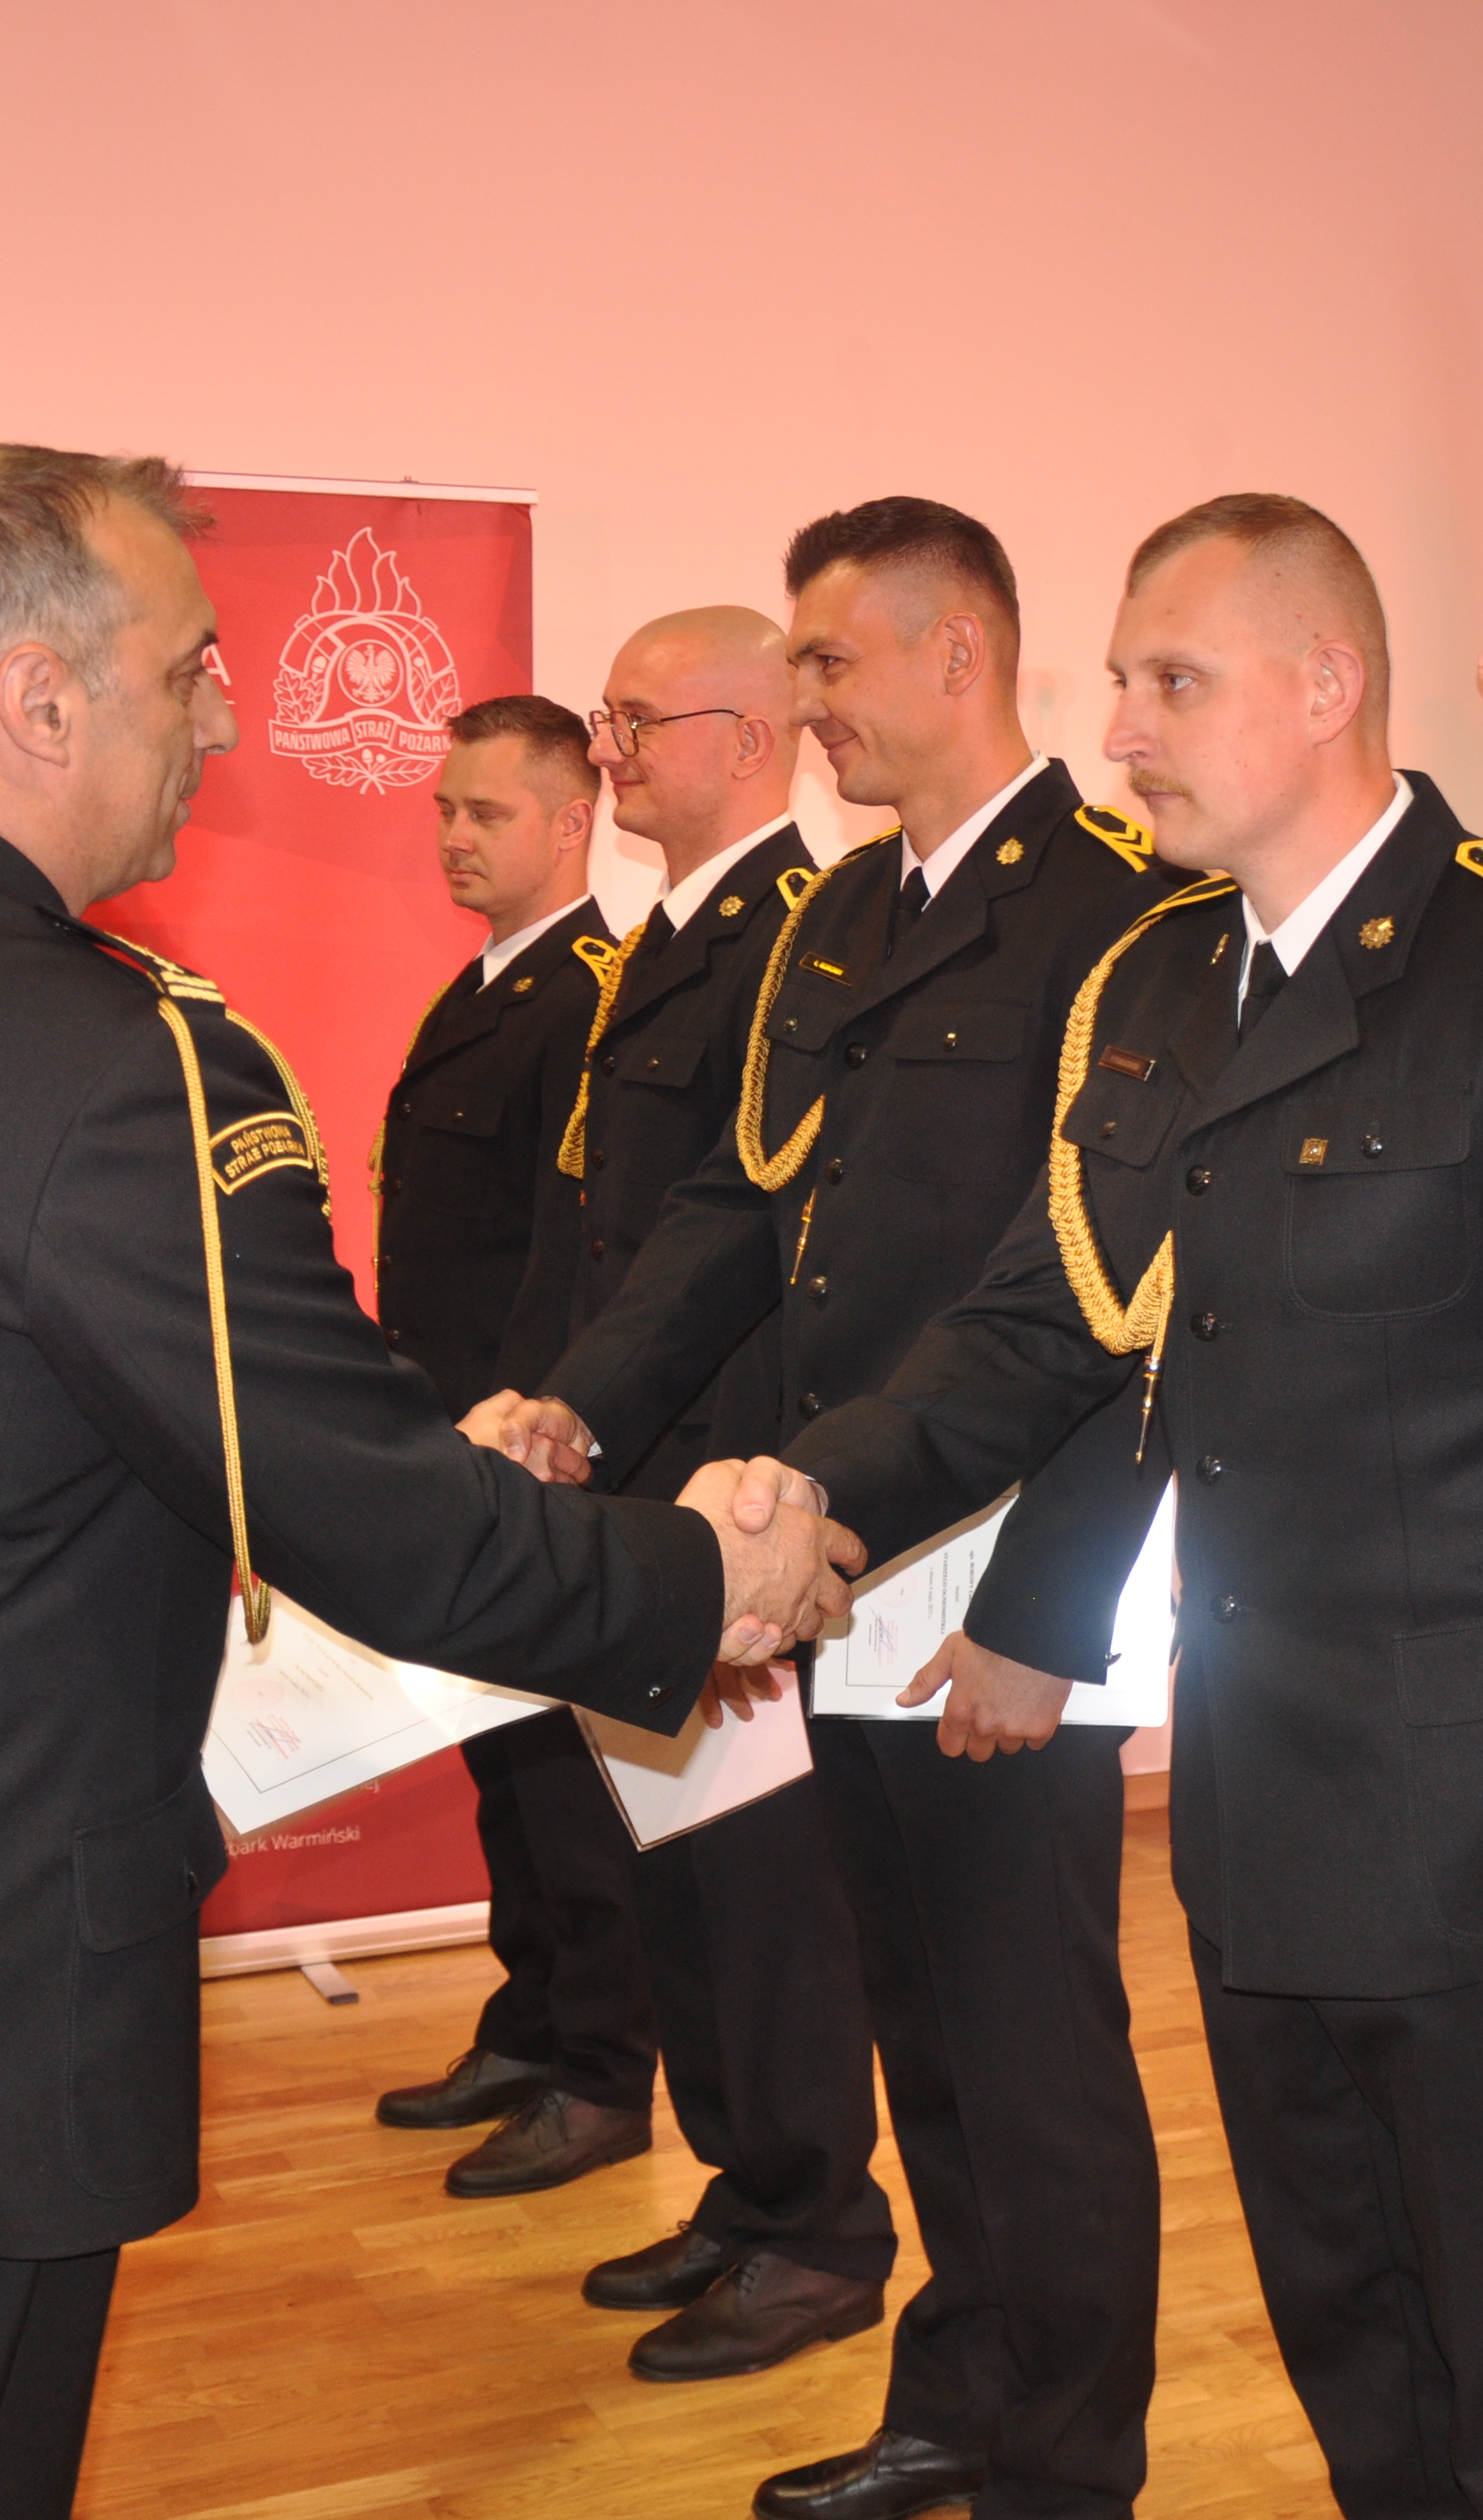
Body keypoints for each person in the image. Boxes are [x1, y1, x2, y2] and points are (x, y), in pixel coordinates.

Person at [0, 443, 849, 2520]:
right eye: (192, 668)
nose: (222, 722)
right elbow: (365, 1506)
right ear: (39, 697)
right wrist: (697, 1576)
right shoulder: (117, 1063)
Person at [768, 492, 1483, 2518]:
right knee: (1346, 2342)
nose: (1119, 730)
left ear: (1326, 686)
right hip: (1258, 1815)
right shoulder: (1156, 985)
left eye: (1170, 680)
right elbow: (1042, 1325)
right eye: (1122, 679)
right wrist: (790, 1493)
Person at [487, 499, 1179, 2520]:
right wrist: (579, 1398)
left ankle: (1067, 2464)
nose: (808, 703)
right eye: (792, 665)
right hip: (837, 1550)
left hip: (997, 1573)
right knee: (923, 2026)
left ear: (958, 652)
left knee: (1032, 2048)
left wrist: (1047, 1618)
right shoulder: (842, 914)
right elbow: (739, 1206)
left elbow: (1132, 1306)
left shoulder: (1119, 916)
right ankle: (960, 2393)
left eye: (830, 662)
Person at [552, 607, 895, 2384]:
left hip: (730, 1492)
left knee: (761, 1884)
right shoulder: (675, 938)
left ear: (743, 739)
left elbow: (767, 1244)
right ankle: (746, 2184)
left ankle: (818, 2224)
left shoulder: (794, 937)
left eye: (636, 719)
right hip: (639, 1479)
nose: (606, 750)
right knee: (680, 1869)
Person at [367, 695, 658, 2204]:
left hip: (532, 1449)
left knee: (564, 1778)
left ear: (573, 820)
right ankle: (531, 2024)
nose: (455, 837)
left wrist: (540, 1427)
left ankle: (602, 2071)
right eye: (444, 809)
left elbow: (577, 1250)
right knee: (504, 1762)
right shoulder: (480, 988)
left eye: (488, 813)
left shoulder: (592, 998)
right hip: (455, 1441)